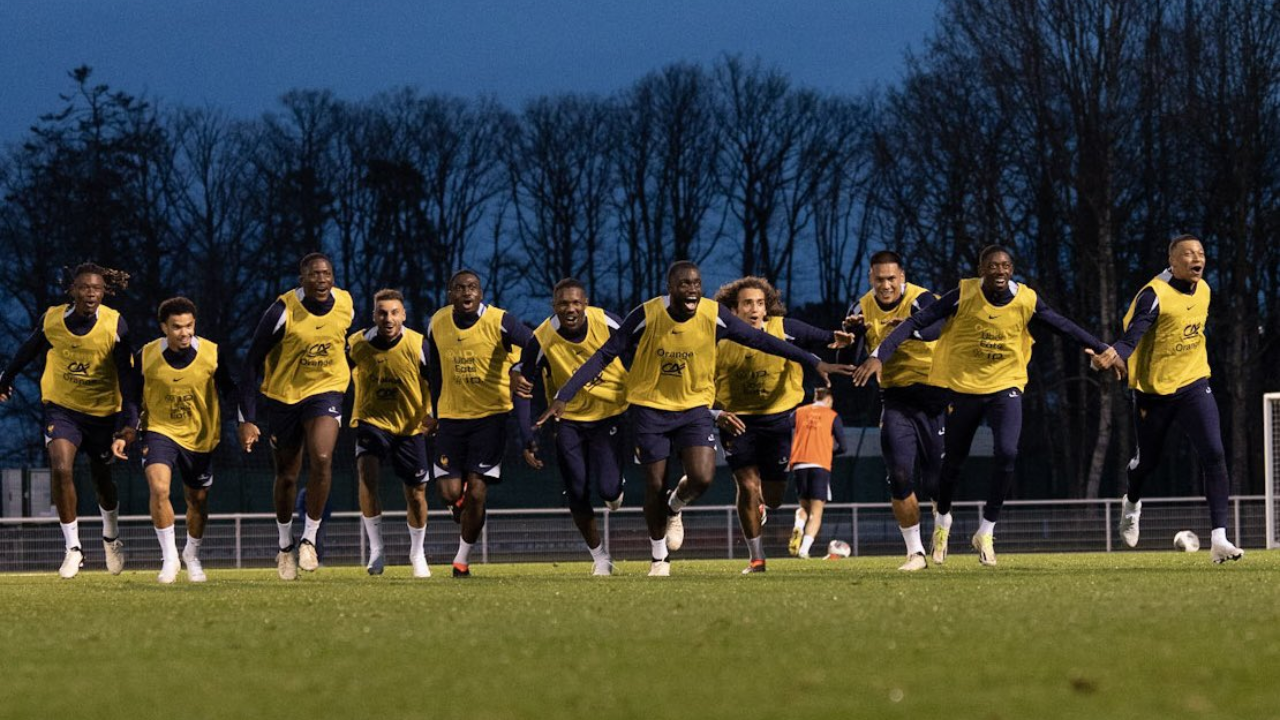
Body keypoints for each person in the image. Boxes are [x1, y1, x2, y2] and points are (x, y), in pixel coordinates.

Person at [538, 261, 856, 577]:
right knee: (655, 484)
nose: (691, 289)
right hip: (651, 408)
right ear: (671, 288)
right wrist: (564, 395)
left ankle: (676, 506)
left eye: (696, 283)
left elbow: (763, 340)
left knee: (703, 477)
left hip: (694, 410)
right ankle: (659, 558)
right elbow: (606, 353)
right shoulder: (646, 314)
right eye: (684, 284)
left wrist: (815, 363)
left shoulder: (712, 314)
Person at [853, 245, 1116, 566]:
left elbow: (1062, 325)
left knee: (999, 455)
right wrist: (873, 353)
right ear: (981, 269)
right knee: (920, 472)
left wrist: (1103, 347)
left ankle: (985, 530)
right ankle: (924, 542)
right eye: (992, 266)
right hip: (951, 388)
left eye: (1005, 265)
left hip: (990, 386)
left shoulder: (1023, 299)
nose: (999, 271)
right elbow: (900, 331)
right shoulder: (962, 294)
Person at [1098, 234, 1244, 563]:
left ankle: (1219, 538)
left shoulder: (1204, 289)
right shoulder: (1154, 295)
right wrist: (1117, 354)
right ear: (1173, 262)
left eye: (1201, 253)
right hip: (1154, 392)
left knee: (1215, 453)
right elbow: (1133, 332)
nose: (1198, 258)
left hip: (1193, 383)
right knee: (1147, 463)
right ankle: (1131, 503)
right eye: (1189, 254)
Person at [0, 263, 135, 578]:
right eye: (85, 287)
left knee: (103, 481)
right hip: (62, 409)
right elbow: (27, 351)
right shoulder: (53, 320)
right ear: (72, 290)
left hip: (103, 413)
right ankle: (73, 548)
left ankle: (111, 536)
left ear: (104, 292)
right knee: (60, 468)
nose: (91, 293)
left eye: (97, 288)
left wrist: (130, 422)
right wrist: (5, 378)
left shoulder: (115, 325)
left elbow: (128, 378)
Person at [711, 276, 852, 574]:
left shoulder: (784, 328)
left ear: (767, 308)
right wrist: (714, 412)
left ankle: (762, 506)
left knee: (773, 499)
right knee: (747, 487)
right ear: (733, 310)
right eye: (747, 303)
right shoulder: (717, 338)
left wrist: (839, 337)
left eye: (760, 303)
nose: (754, 309)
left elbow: (821, 335)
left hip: (778, 420)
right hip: (738, 420)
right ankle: (757, 558)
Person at [238, 252, 354, 580]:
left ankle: (308, 539)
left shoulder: (346, 303)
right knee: (287, 476)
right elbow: (251, 364)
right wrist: (247, 418)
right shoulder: (280, 312)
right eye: (314, 274)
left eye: (327, 273)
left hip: (326, 392)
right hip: (284, 398)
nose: (321, 280)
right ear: (301, 278)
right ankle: (285, 545)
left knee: (322, 457)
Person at [111, 297, 236, 583]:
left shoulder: (212, 353)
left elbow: (230, 388)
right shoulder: (146, 356)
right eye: (177, 327)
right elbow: (131, 396)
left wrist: (245, 421)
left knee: (197, 501)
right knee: (159, 488)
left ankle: (191, 554)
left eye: (189, 326)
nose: (184, 333)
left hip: (200, 436)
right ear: (164, 327)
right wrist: (127, 430)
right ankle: (169, 559)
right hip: (159, 430)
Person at [514, 278, 628, 576]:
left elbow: (638, 356)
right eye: (563, 303)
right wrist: (527, 436)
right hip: (568, 421)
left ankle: (616, 487)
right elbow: (523, 387)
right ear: (554, 306)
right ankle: (600, 557)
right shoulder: (541, 338)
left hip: (610, 414)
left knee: (609, 490)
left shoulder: (609, 323)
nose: (571, 309)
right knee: (576, 489)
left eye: (576, 302)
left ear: (586, 303)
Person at [844, 251, 947, 571]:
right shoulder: (861, 307)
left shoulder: (922, 298)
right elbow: (853, 356)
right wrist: (855, 335)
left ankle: (942, 520)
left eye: (891, 278)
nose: (886, 285)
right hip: (896, 398)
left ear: (902, 276)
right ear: (870, 279)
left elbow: (937, 328)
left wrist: (907, 328)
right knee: (900, 475)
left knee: (935, 483)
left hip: (935, 396)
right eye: (879, 279)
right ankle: (915, 553)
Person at [426, 270, 533, 578]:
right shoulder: (437, 322)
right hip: (450, 418)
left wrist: (518, 368)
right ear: (450, 294)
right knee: (449, 494)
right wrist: (434, 410)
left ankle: (461, 561)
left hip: (490, 417)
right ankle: (462, 506)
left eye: (472, 287)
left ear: (481, 292)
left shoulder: (501, 321)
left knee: (476, 491)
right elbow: (435, 371)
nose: (466, 292)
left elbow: (535, 344)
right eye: (459, 288)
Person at [348, 289, 434, 578]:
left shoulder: (418, 344)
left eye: (394, 312)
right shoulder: (357, 345)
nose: (388, 318)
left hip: (411, 427)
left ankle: (417, 552)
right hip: (372, 421)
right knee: (367, 475)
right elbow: (333, 375)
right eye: (382, 312)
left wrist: (434, 415)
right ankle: (376, 549)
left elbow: (439, 381)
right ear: (374, 315)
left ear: (403, 315)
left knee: (416, 494)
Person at [787, 388, 847, 559]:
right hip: (819, 464)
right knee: (816, 512)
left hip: (799, 464)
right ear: (828, 400)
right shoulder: (831, 415)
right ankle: (804, 550)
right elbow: (843, 446)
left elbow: (783, 427)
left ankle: (798, 525)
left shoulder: (799, 412)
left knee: (804, 507)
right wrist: (828, 451)